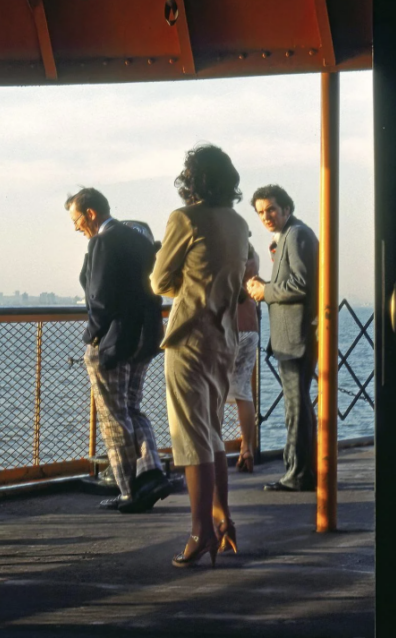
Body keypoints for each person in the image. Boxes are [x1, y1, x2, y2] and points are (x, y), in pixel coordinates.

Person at [151, 144, 249, 567]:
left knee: (190, 438)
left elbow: (159, 281)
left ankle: (199, 533)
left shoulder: (184, 219)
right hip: (225, 337)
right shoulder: (240, 223)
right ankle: (221, 517)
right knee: (211, 431)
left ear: (192, 180)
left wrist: (183, 285)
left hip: (189, 337)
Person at [67, 187, 171, 513]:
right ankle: (151, 473)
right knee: (133, 408)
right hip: (144, 338)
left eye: (77, 219)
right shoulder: (140, 240)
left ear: (91, 213)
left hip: (113, 342)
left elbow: (97, 296)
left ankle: (130, 490)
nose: (75, 227)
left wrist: (92, 335)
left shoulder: (101, 241)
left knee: (113, 417)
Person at [245, 184, 319, 492]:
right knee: (296, 406)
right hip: (291, 336)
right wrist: (267, 285)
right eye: (261, 212)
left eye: (271, 209)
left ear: (286, 208)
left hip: (295, 336)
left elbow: (301, 284)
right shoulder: (291, 235)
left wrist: (265, 291)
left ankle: (298, 474)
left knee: (296, 407)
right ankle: (299, 471)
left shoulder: (297, 234)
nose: (266, 216)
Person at [229, 238, 260, 473]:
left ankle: (213, 449)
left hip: (230, 327)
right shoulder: (253, 260)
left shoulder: (229, 260)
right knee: (243, 392)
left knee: (216, 390)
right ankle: (247, 447)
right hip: (252, 328)